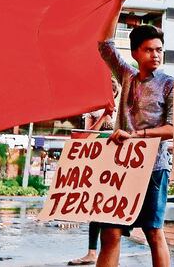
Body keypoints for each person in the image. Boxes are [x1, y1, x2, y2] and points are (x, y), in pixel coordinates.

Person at [96, 0, 174, 267]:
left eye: (159, 50)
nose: (156, 55)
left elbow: (173, 129)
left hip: (154, 166)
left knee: (153, 231)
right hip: (120, 166)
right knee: (111, 231)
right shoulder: (127, 75)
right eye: (149, 50)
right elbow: (104, 45)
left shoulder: (169, 83)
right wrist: (119, 1)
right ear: (135, 53)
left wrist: (137, 135)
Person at [70, 81, 120, 266]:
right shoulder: (94, 110)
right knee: (96, 205)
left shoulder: (123, 106)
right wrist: (104, 116)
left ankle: (112, 254)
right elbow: (86, 135)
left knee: (114, 208)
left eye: (113, 91)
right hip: (98, 160)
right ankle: (92, 252)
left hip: (118, 162)